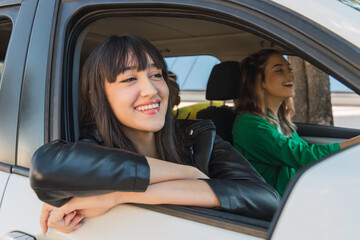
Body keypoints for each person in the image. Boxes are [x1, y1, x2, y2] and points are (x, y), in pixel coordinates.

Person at [30, 35, 280, 234]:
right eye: (129, 79)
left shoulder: (197, 134)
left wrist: (119, 194)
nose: (151, 90)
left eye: (156, 74)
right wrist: (189, 174)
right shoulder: (90, 145)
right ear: (98, 97)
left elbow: (267, 200)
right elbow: (45, 167)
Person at [232, 49, 360, 196]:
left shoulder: (278, 119)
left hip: (296, 191)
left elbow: (302, 152)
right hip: (276, 205)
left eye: (289, 68)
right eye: (279, 70)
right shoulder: (249, 125)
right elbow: (304, 156)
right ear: (259, 82)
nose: (290, 75)